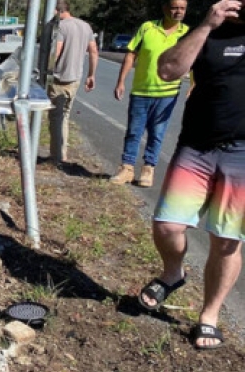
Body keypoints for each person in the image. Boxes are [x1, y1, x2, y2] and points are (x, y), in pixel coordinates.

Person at [140, 0, 244, 350]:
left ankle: (209, 317)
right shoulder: (205, 35)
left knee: (227, 239)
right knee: (167, 225)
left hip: (242, 154)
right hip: (197, 146)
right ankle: (173, 274)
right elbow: (168, 70)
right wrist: (206, 26)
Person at [110, 0, 189, 187]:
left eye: (182, 8)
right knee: (133, 132)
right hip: (141, 90)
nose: (178, 11)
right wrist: (121, 81)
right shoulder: (147, 27)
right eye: (174, 7)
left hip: (168, 94)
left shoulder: (187, 33)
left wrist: (194, 85)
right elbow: (131, 54)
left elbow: (194, 61)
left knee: (157, 133)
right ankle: (127, 168)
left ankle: (148, 169)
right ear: (165, 8)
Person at [48, 0, 98, 165]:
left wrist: (46, 70)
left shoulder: (61, 27)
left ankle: (57, 156)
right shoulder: (86, 26)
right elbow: (93, 51)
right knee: (65, 115)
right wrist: (91, 75)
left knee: (56, 117)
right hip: (75, 78)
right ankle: (61, 153)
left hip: (59, 78)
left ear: (57, 11)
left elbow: (57, 50)